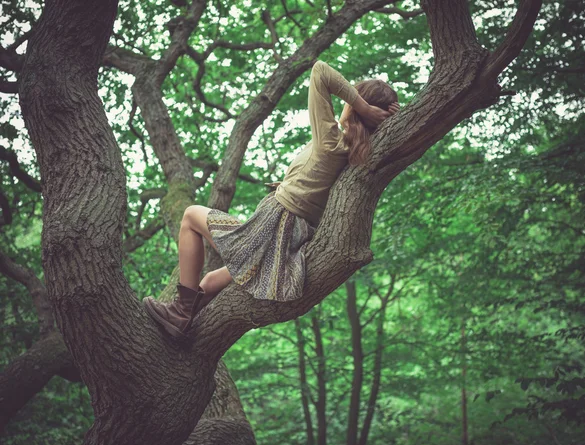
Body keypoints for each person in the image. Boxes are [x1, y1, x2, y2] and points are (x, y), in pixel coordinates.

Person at [143, 60, 401, 338]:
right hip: (290, 233)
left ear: (358, 106)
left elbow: (321, 71)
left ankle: (180, 312)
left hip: (274, 225)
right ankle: (182, 329)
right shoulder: (360, 151)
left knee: (191, 215)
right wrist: (394, 117)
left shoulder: (331, 139)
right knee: (210, 281)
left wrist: (362, 106)